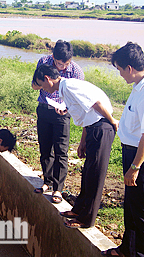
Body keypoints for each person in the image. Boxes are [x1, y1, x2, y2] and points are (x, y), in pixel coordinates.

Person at [102, 42, 144, 257]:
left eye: (120, 70)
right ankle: (127, 249)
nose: (120, 74)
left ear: (129, 68)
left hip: (143, 158)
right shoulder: (140, 85)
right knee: (131, 207)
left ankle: (143, 254)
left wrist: (135, 167)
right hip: (134, 153)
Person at [32, 63, 118, 229]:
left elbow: (96, 104)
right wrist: (83, 141)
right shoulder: (64, 89)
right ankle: (79, 209)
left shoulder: (70, 86)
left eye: (42, 85)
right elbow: (86, 113)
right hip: (93, 128)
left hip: (101, 127)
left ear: (48, 79)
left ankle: (87, 220)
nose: (43, 89)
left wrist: (112, 121)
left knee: (95, 176)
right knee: (87, 173)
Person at [31, 39, 85, 204]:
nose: (61, 67)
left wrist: (66, 107)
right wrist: (46, 84)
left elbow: (78, 97)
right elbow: (34, 84)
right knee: (45, 147)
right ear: (53, 57)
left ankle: (58, 188)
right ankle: (47, 181)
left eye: (65, 64)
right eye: (59, 63)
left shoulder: (76, 71)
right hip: (44, 108)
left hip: (62, 113)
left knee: (61, 150)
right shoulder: (44, 62)